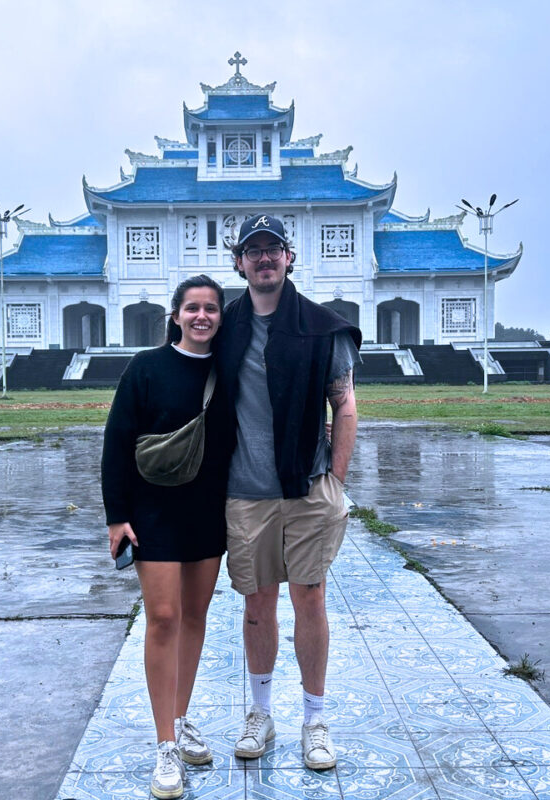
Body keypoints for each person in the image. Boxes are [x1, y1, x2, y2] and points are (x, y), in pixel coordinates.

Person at [215, 213, 361, 771]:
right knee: (257, 603)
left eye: (273, 248)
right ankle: (260, 713)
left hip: (306, 487)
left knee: (310, 598)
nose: (264, 258)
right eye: (254, 250)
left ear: (289, 258)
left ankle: (315, 718)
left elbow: (343, 405)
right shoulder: (226, 328)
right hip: (246, 491)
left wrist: (336, 481)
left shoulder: (321, 330)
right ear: (239, 263)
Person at [101, 275, 232, 800]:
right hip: (153, 512)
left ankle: (180, 720)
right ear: (175, 315)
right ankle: (163, 747)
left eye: (212, 309)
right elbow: (116, 441)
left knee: (196, 618)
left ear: (221, 317)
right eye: (192, 308)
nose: (202, 317)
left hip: (207, 513)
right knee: (163, 619)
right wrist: (117, 517)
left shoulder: (229, 371)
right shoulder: (146, 368)